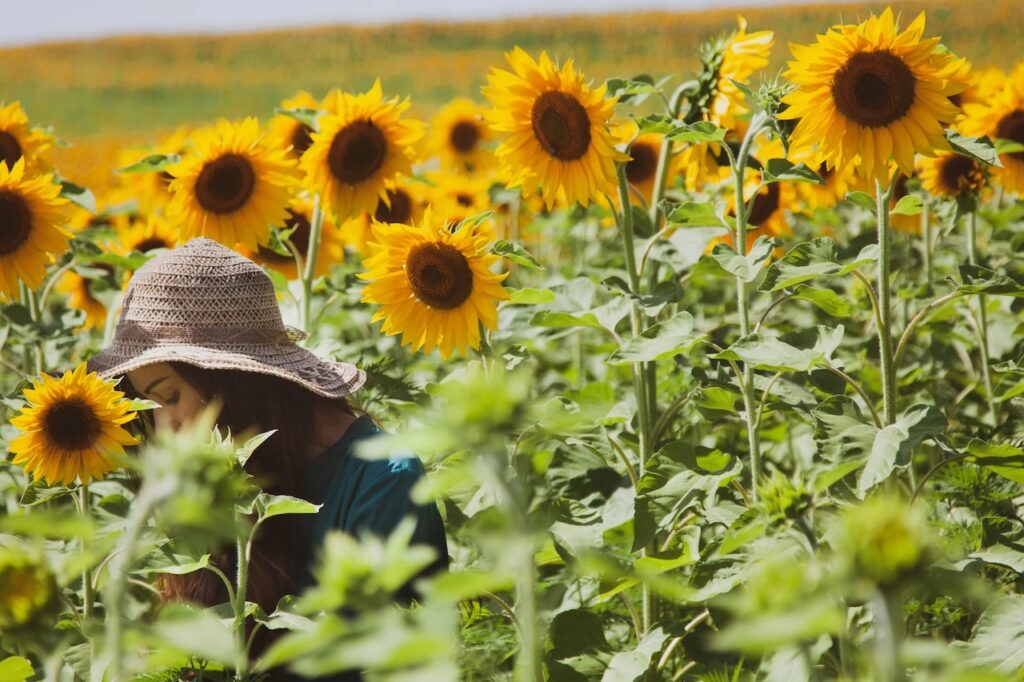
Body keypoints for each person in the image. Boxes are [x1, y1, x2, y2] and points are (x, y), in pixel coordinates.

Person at [84, 236, 448, 679]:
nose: (163, 428)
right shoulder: (230, 477)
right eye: (148, 403)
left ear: (235, 383)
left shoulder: (382, 482)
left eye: (171, 396)